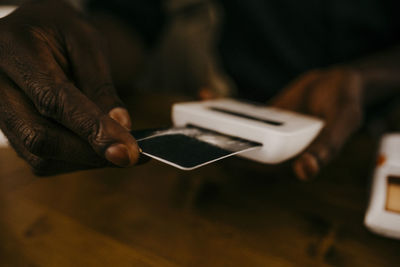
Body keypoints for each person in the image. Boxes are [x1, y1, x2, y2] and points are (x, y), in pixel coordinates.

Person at [0, 0, 399, 180]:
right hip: (216, 102)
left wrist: (365, 80)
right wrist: (69, 45)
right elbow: (130, 17)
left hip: (370, 142)